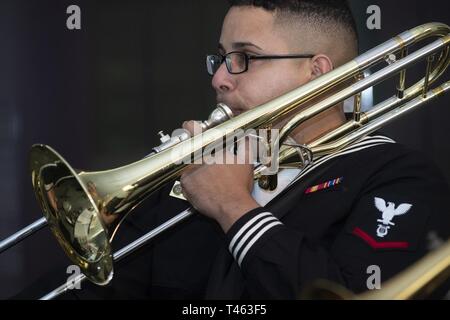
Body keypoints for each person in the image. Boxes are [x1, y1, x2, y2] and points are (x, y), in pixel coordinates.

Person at [24, 0, 450, 300]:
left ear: (315, 71)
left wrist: (231, 204)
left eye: (245, 57)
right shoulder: (201, 174)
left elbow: (349, 291)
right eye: (221, 58)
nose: (220, 80)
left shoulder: (400, 176)